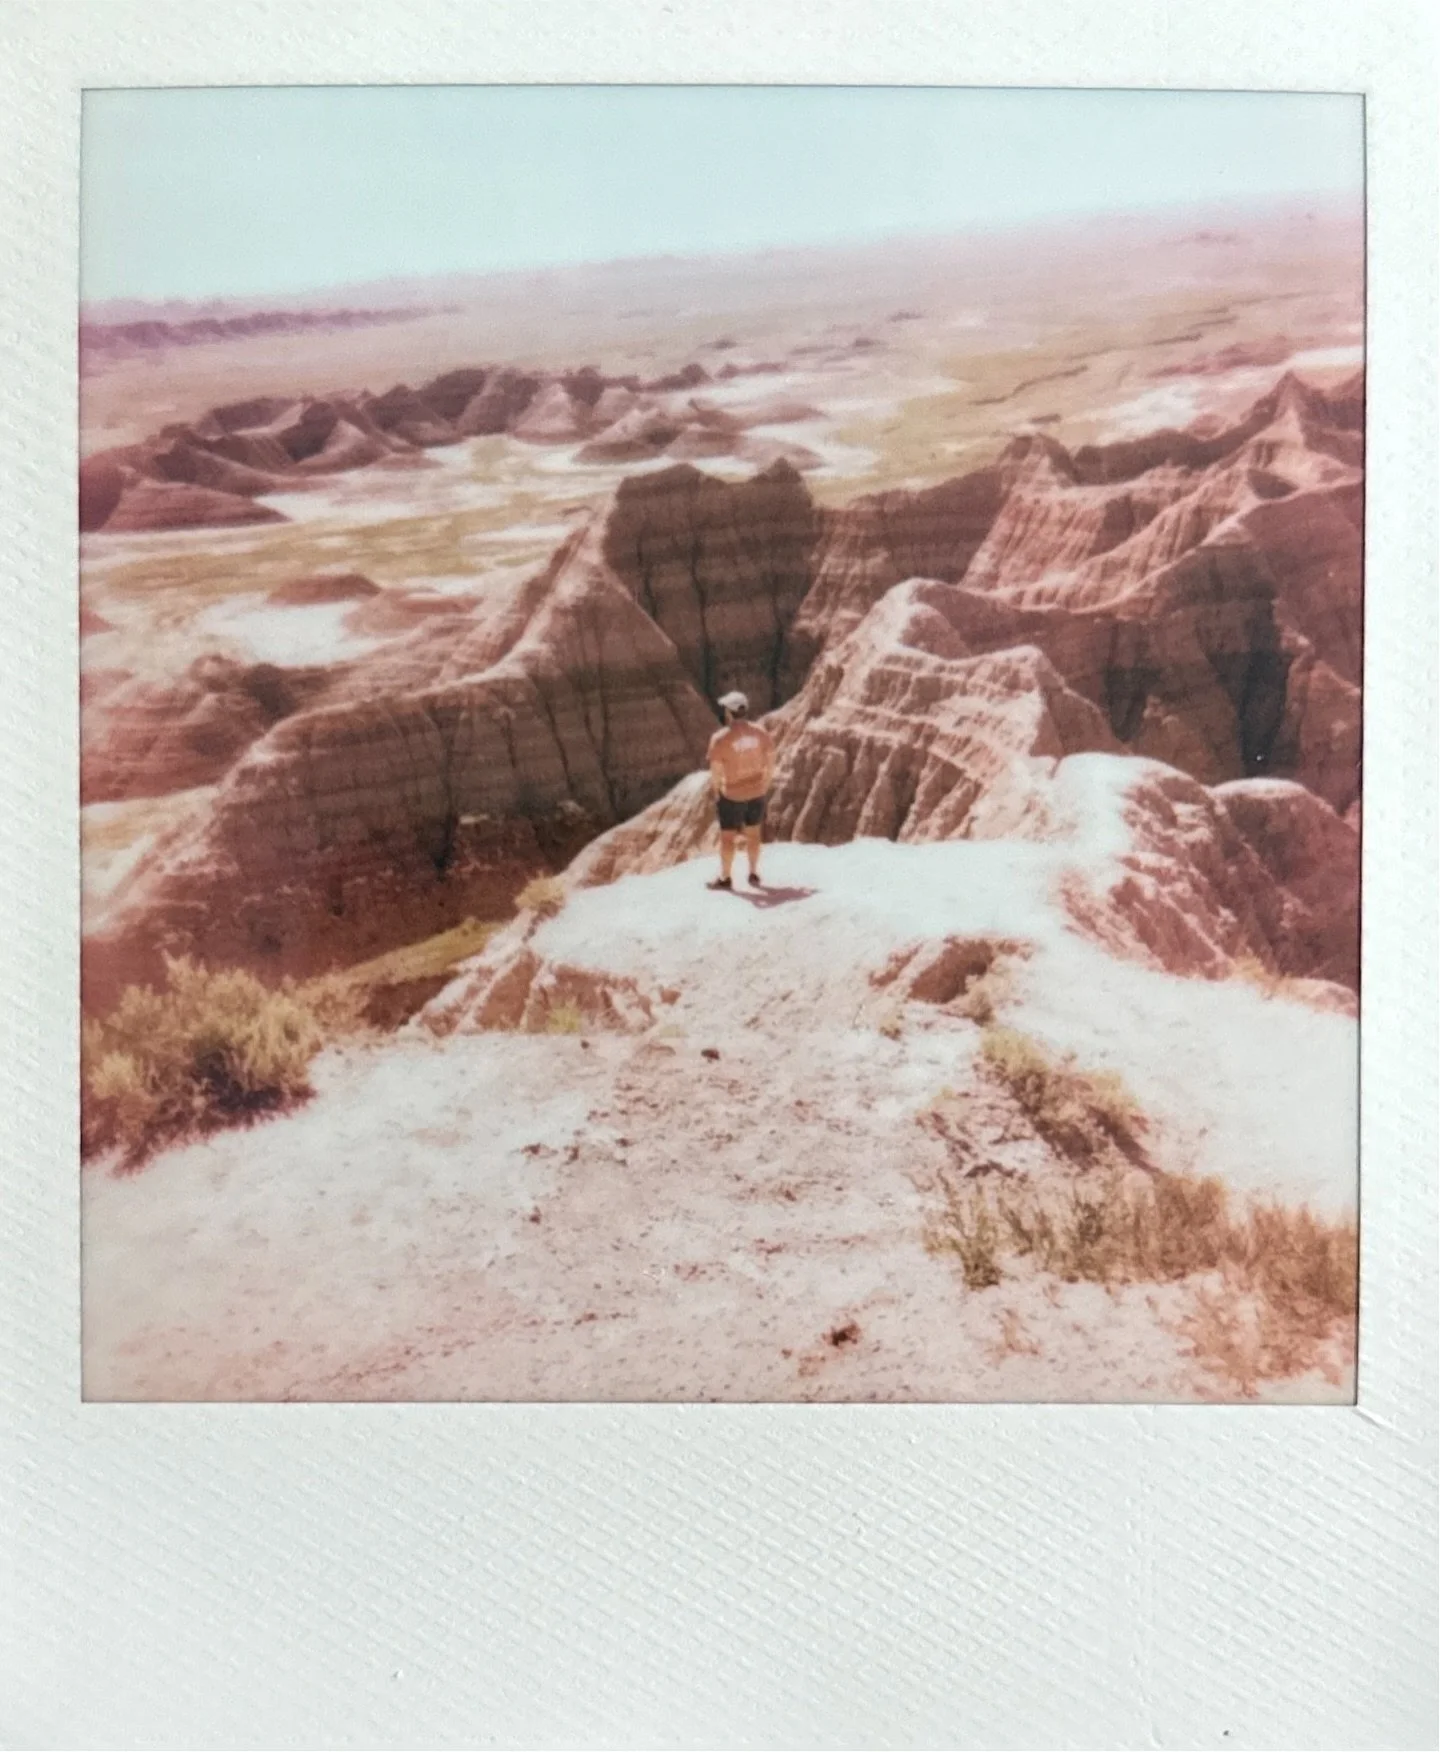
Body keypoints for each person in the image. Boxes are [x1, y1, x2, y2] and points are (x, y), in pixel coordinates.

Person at [706, 690, 775, 891]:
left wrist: (717, 791)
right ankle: (753, 873)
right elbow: (771, 762)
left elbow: (716, 772)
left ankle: (726, 878)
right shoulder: (761, 732)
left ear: (729, 712)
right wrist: (765, 785)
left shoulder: (720, 739)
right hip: (757, 793)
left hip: (732, 795)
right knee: (754, 834)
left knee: (728, 837)